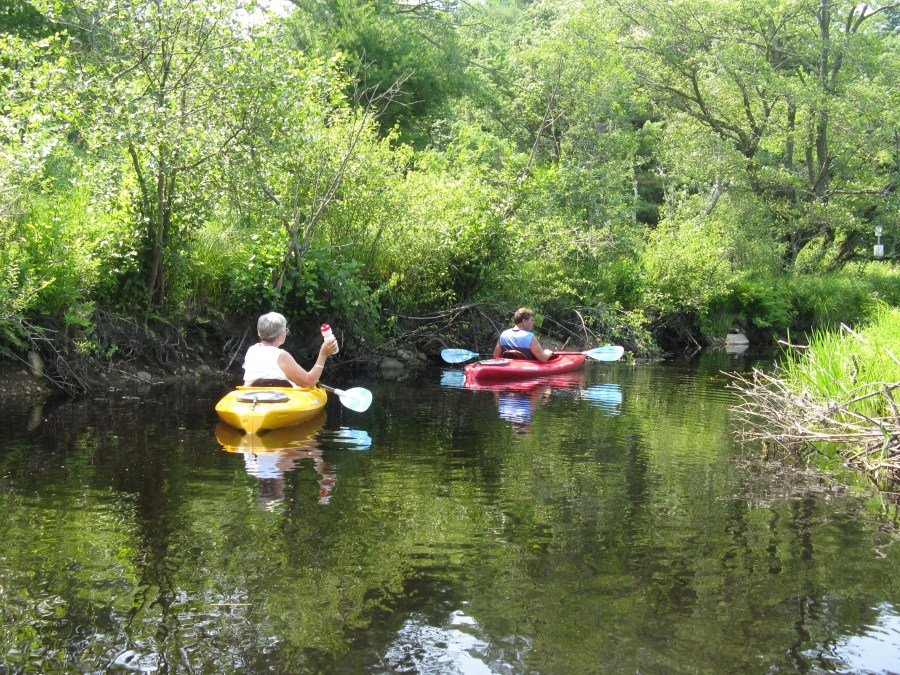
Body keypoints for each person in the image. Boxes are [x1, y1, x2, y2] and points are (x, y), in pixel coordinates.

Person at [243, 312, 338, 388]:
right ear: (280, 335)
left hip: (252, 397)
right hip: (280, 401)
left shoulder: (251, 350)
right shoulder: (281, 356)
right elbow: (309, 382)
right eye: (285, 330)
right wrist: (323, 354)